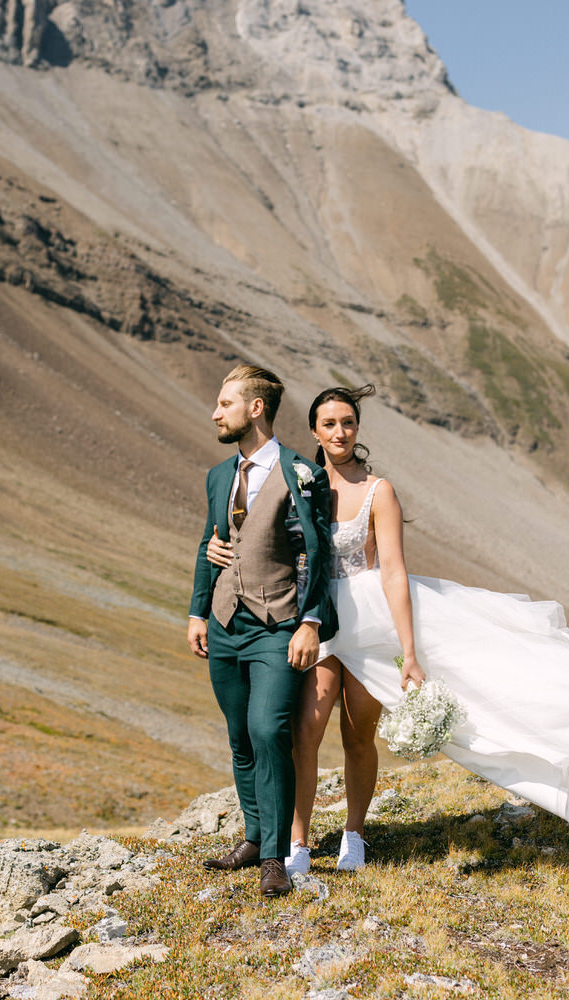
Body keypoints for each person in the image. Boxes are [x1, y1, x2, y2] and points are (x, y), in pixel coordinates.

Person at [208, 383, 569, 899]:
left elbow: (392, 570)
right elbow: (267, 541)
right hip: (317, 619)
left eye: (348, 423)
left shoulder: (379, 490)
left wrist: (409, 654)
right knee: (304, 730)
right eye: (329, 423)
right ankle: (297, 845)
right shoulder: (302, 483)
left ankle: (356, 836)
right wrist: (220, 554)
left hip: (372, 624)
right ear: (312, 430)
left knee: (357, 732)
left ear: (356, 430)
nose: (339, 431)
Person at [187, 364, 338, 897]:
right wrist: (198, 611)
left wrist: (310, 623)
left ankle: (275, 855)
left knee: (268, 730)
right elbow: (212, 542)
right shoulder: (217, 476)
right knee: (239, 737)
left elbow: (318, 555)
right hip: (226, 624)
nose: (215, 412)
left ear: (255, 408)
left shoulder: (303, 474)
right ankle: (253, 836)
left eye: (225, 403)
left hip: (279, 625)